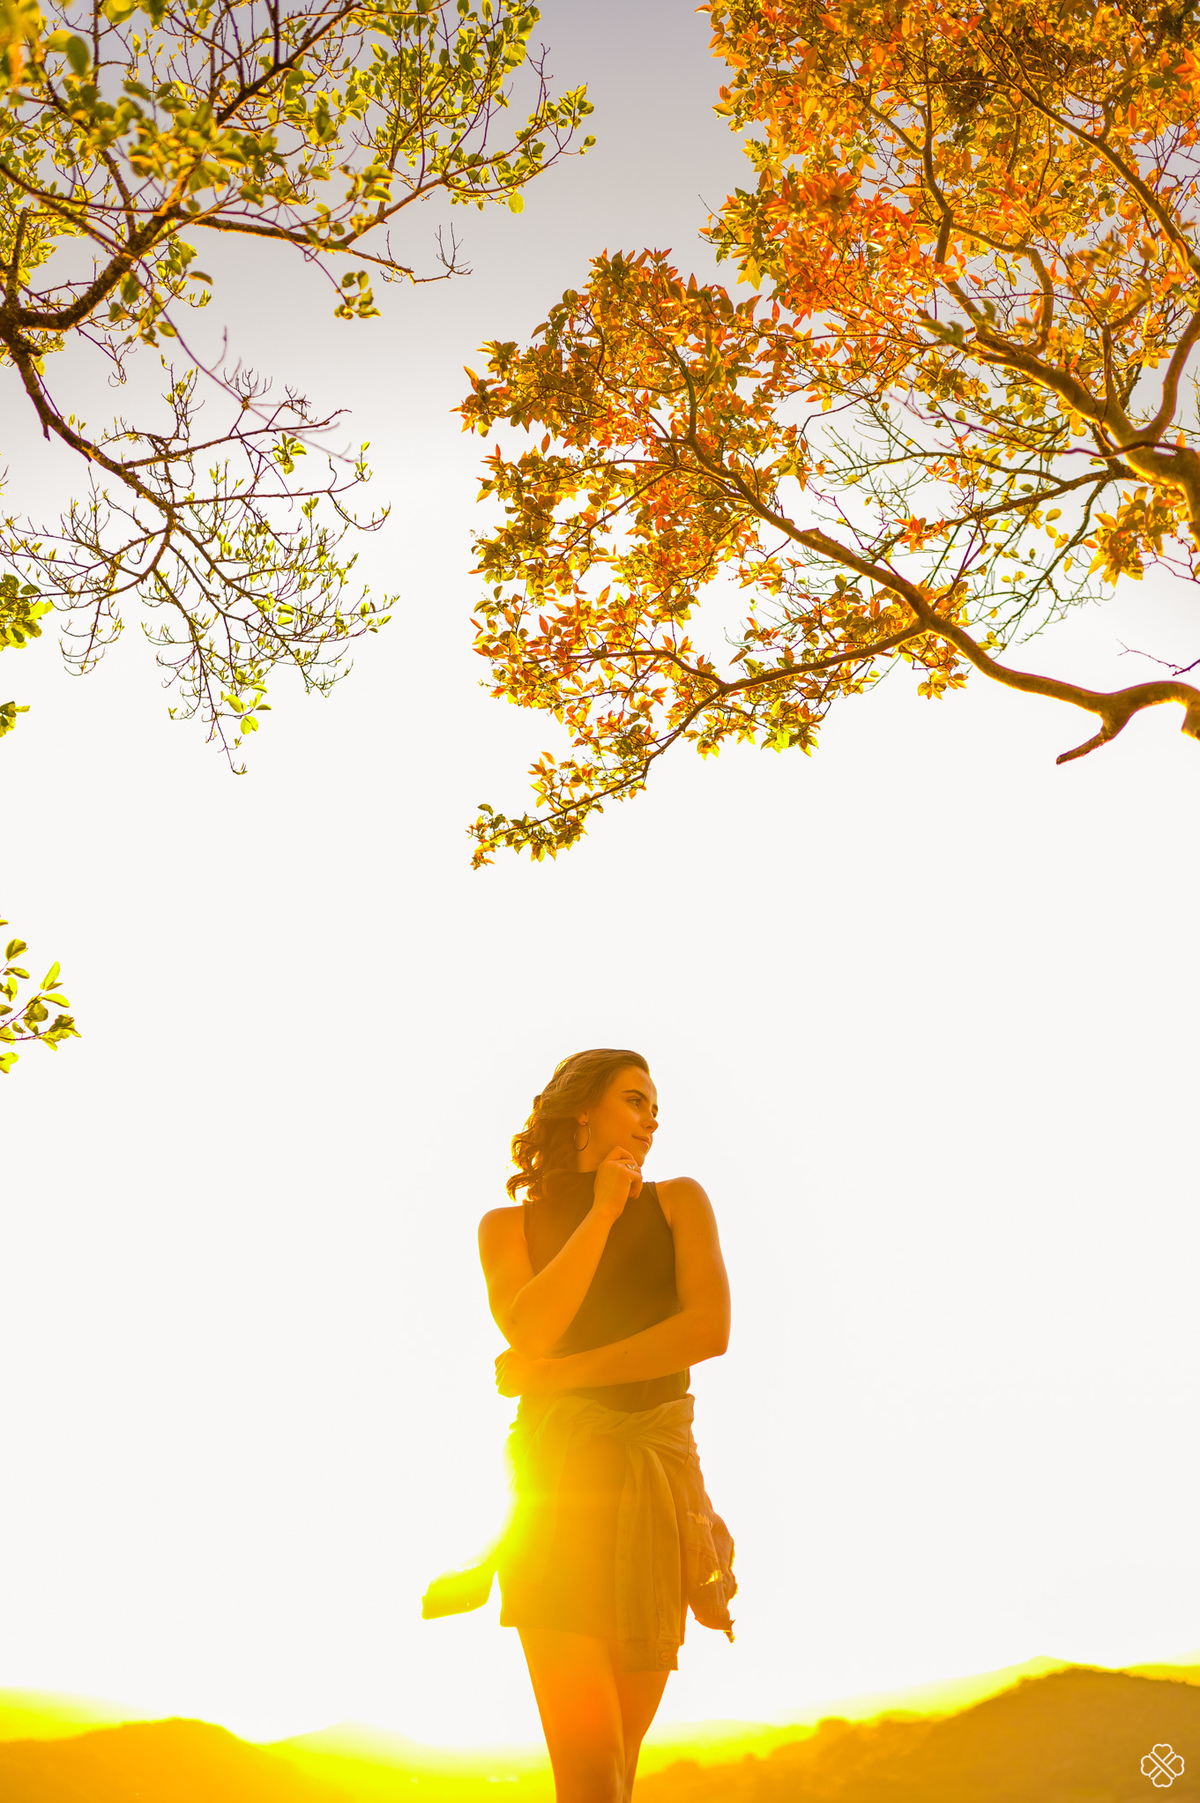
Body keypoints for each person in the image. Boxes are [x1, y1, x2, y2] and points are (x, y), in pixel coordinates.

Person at [477, 1048, 735, 1803]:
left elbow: (706, 1333)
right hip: (557, 1506)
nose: (651, 1118)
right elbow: (533, 1332)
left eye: (655, 1105)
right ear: (581, 1108)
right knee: (589, 1776)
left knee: (617, 1772)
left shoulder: (682, 1202)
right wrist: (602, 1212)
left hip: (657, 1500)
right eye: (634, 1099)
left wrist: (561, 1379)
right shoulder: (506, 1228)